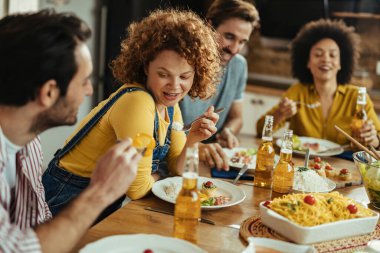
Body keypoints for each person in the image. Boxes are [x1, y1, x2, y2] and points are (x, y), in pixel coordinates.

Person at [42, 9, 222, 216]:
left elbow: (178, 170)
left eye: (184, 77)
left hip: (98, 201)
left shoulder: (170, 106)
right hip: (65, 199)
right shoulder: (137, 101)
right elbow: (137, 189)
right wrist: (161, 176)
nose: (174, 86)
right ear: (146, 67)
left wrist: (193, 139)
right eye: (163, 74)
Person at [0, 10, 140, 253]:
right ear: (49, 92)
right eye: (84, 80)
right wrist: (101, 191)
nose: (88, 91)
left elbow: (37, 218)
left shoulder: (28, 137)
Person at [256, 19, 380, 147]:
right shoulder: (297, 92)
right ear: (308, 62)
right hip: (302, 164)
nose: (325, 59)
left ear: (341, 63)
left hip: (342, 164)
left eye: (332, 55)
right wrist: (280, 114)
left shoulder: (357, 97)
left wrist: (372, 139)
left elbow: (378, 139)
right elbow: (260, 130)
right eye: (318, 54)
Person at [179, 0, 260, 170]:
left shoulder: (239, 65)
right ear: (209, 26)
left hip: (207, 161)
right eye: (229, 37)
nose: (235, 49)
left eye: (242, 41)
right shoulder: (182, 63)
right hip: (174, 158)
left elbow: (236, 118)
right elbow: (160, 132)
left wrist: (228, 131)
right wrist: (196, 146)